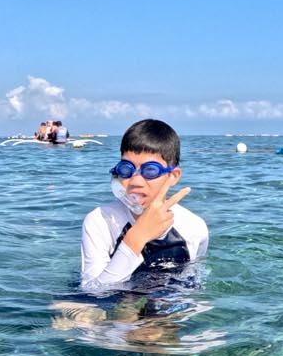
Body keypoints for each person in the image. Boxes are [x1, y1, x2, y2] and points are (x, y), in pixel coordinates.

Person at [80, 118, 208, 296]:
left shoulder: (193, 227)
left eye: (150, 171)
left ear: (173, 176)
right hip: (116, 300)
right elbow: (94, 293)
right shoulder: (100, 220)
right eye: (126, 169)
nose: (136, 181)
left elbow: (191, 281)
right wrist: (137, 237)